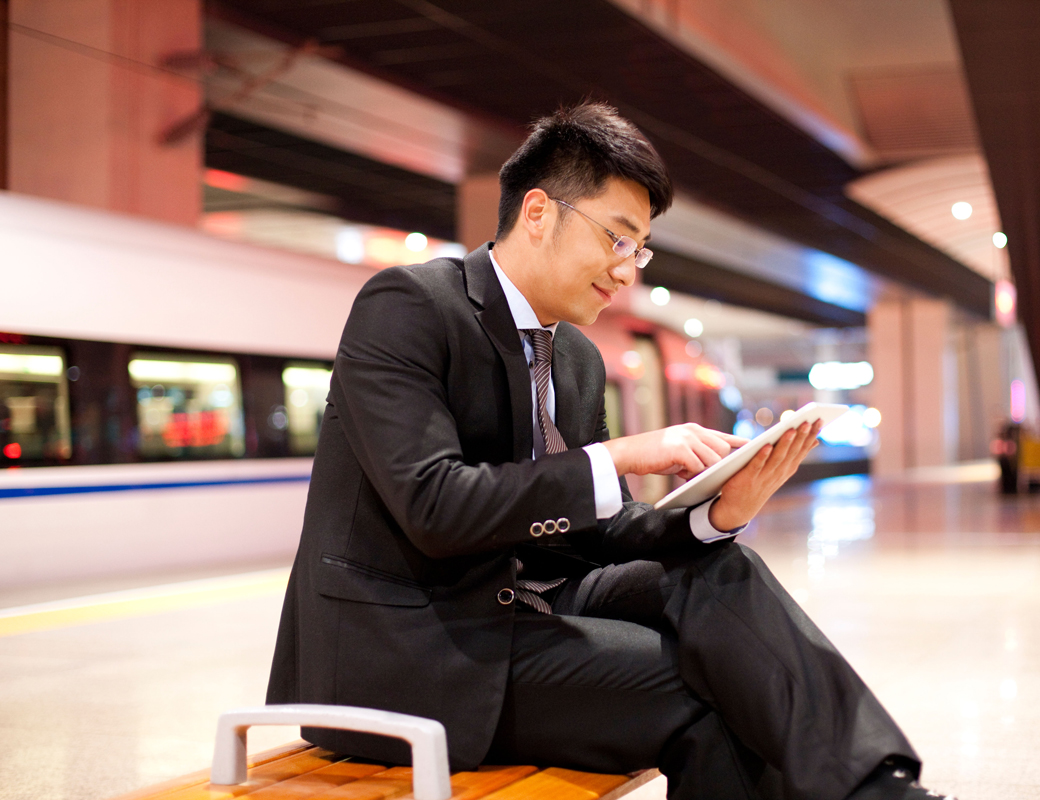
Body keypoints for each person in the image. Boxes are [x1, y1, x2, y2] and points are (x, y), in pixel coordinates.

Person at [267, 101, 952, 800]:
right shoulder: (409, 307)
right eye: (617, 239)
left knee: (724, 568)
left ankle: (881, 786)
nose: (629, 269)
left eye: (640, 248)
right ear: (538, 213)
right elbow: (434, 506)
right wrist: (619, 455)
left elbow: (599, 529)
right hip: (410, 655)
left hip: (525, 614)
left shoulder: (576, 359)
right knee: (707, 695)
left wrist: (714, 514)